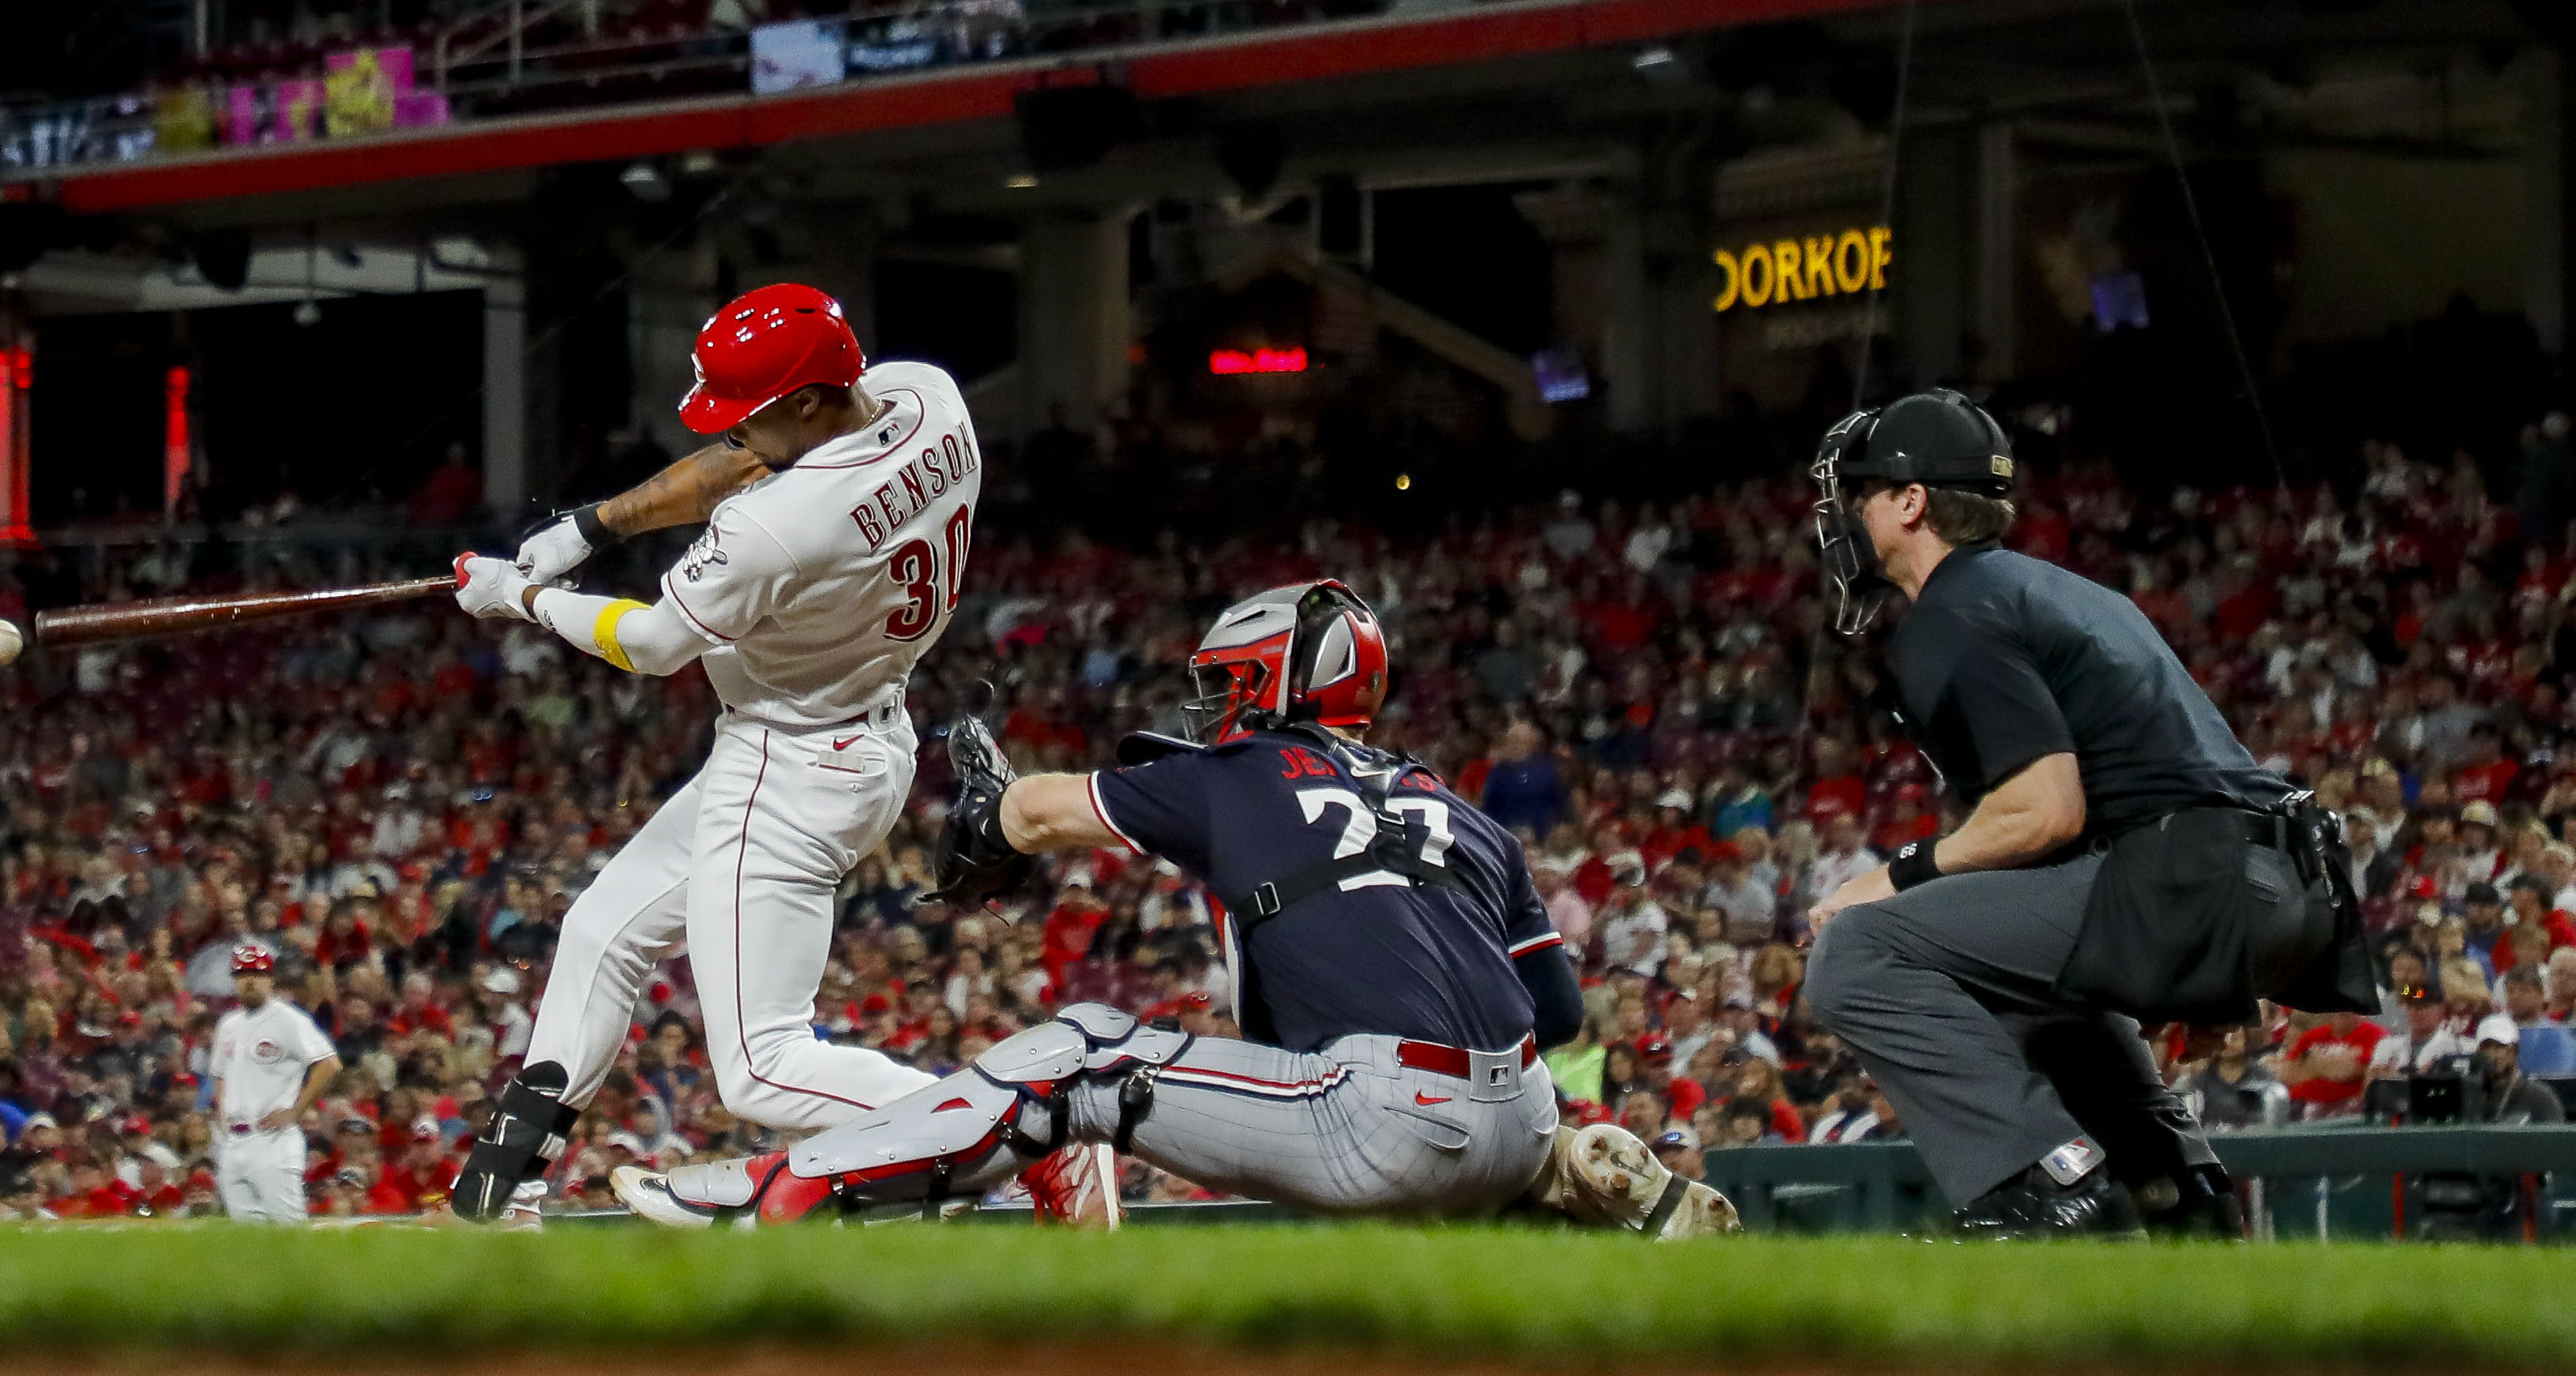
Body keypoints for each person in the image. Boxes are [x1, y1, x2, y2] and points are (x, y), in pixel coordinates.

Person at [613, 579, 1737, 1236]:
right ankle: (1568, 1172)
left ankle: (777, 1190)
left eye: (1222, 687)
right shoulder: (1462, 808)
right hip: (1524, 1103)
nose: (1210, 709)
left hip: (1386, 1118)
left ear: (1263, 690)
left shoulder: (1237, 773)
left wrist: (987, 818)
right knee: (1465, 1115)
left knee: (1082, 1051)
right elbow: (1562, 1012)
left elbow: (1038, 811)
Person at [445, 285, 982, 1220]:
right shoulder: (925, 394)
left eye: (751, 411)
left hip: (791, 758)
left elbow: (654, 645)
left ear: (808, 403)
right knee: (600, 929)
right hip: (853, 728)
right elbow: (743, 457)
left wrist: (516, 597)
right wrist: (587, 529)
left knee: (762, 1068)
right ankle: (510, 1179)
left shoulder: (781, 521)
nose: (733, 431)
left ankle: (1010, 1128)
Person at [1800, 391, 2373, 1236]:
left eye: (1861, 492)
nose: (1846, 513)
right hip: (2274, 880)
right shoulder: (2056, 590)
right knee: (2019, 988)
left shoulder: (1953, 610)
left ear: (1910, 500)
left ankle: (2039, 1184)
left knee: (1856, 949)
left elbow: (2043, 812)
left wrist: (1889, 877)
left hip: (2193, 878)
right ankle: (2179, 1194)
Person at [204, 942, 336, 1224]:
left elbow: (328, 1064)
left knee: (288, 1229)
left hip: (273, 1142)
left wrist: (295, 1111)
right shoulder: (229, 1023)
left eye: (257, 974)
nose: (249, 981)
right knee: (248, 1239)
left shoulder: (288, 1019)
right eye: (242, 975)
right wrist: (222, 1115)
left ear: (271, 979)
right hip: (234, 1142)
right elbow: (219, 1074)